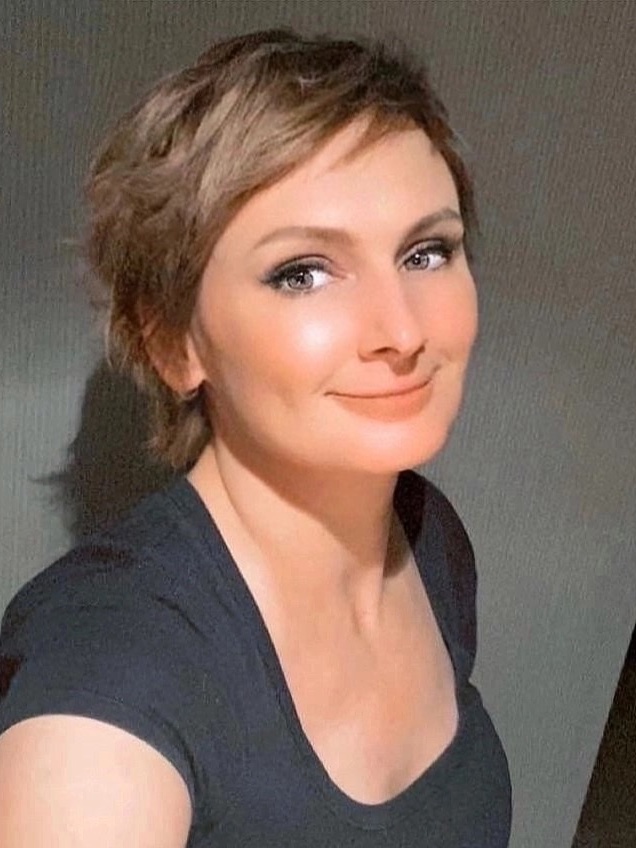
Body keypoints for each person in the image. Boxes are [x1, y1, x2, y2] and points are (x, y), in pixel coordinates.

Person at [0, 29, 511, 847]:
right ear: (175, 343)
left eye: (426, 252)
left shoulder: (431, 540)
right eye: (302, 272)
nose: (403, 330)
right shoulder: (110, 668)